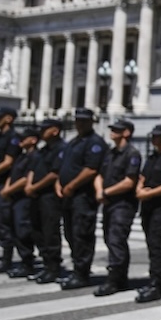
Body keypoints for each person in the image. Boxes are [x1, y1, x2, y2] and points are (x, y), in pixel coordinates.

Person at [55, 108, 106, 290]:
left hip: (83, 196)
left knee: (82, 234)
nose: (80, 124)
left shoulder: (95, 143)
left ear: (91, 122)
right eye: (78, 121)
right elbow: (63, 167)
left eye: (84, 121)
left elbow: (91, 169)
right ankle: (77, 269)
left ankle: (82, 273)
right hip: (69, 196)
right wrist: (60, 184)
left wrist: (71, 185)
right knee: (70, 234)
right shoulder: (74, 142)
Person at [93, 119, 141, 296]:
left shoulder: (132, 154)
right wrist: (100, 191)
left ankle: (115, 279)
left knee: (116, 240)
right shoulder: (110, 153)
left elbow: (129, 182)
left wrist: (106, 192)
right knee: (110, 238)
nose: (112, 132)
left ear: (126, 133)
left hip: (123, 204)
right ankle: (120, 277)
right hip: (109, 203)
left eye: (117, 130)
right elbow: (99, 174)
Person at [135, 124, 161, 303]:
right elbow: (142, 178)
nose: (153, 139)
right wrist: (139, 190)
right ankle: (153, 281)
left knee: (155, 245)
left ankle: (156, 285)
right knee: (151, 246)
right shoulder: (152, 158)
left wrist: (147, 193)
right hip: (147, 208)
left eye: (157, 136)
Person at [25, 118, 65, 283]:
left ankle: (53, 267)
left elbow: (54, 173)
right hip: (36, 196)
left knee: (50, 232)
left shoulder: (61, 149)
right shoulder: (42, 150)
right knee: (37, 231)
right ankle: (46, 263)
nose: (41, 132)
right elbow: (33, 169)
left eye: (45, 129)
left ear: (55, 131)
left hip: (49, 196)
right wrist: (29, 185)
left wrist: (35, 187)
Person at [1, 127, 40, 278]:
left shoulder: (34, 156)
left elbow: (25, 179)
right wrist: (7, 189)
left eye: (24, 138)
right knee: (15, 229)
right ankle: (23, 261)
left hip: (24, 199)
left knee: (23, 230)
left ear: (33, 140)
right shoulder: (22, 156)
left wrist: (8, 190)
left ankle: (27, 262)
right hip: (14, 197)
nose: (20, 141)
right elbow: (13, 175)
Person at [0, 106, 21, 273]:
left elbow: (8, 162)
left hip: (2, 184)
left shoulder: (13, 138)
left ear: (9, 118)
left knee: (3, 223)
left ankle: (7, 260)